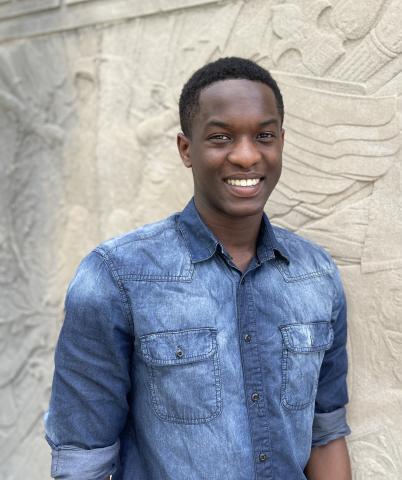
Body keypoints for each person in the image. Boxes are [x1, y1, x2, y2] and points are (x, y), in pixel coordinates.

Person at [45, 57, 351, 479]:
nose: (246, 156)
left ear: (281, 141)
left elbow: (326, 433)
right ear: (186, 149)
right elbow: (83, 460)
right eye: (221, 137)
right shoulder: (116, 277)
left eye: (263, 135)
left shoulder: (316, 274)